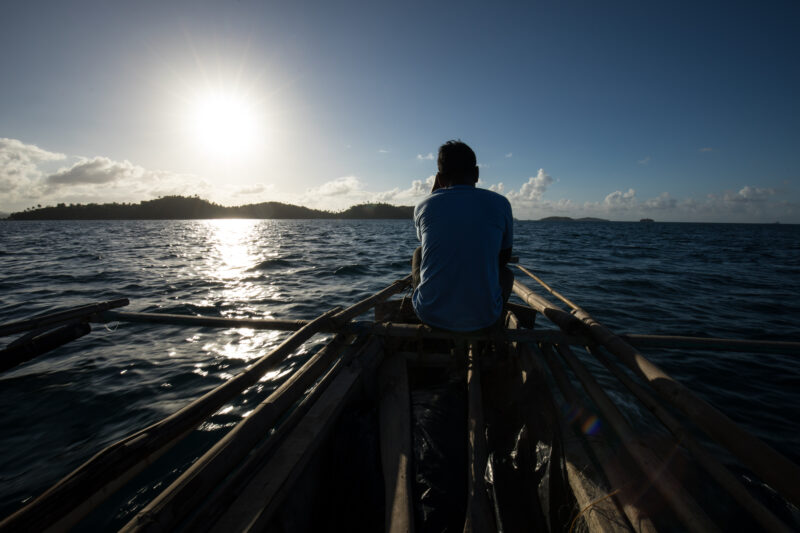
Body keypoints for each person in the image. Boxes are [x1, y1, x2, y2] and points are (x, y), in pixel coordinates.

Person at [412, 140, 514, 332]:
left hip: (430, 315)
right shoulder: (501, 203)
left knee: (418, 253)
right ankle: (495, 319)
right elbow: (504, 258)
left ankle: (426, 300)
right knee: (507, 275)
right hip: (484, 319)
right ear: (476, 174)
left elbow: (426, 246)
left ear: (440, 179)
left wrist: (436, 191)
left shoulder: (423, 206)